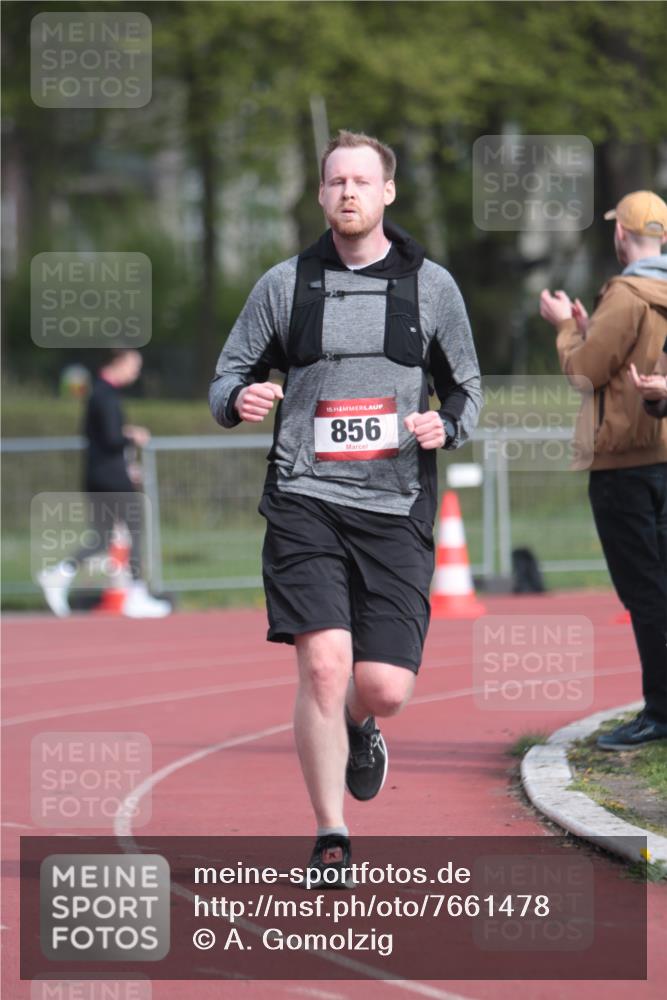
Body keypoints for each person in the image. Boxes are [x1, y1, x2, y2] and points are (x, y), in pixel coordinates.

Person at [209, 129, 482, 881]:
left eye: (363, 181)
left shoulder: (432, 286)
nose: (349, 193)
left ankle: (362, 727)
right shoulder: (284, 284)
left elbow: (466, 388)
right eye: (335, 182)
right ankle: (331, 835)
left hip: (395, 505)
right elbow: (224, 379)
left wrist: (446, 423)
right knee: (324, 669)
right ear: (321, 193)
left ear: (388, 192)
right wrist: (242, 396)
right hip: (305, 497)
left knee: (380, 689)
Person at [540, 190, 667, 750]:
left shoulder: (626, 292)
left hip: (626, 465)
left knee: (644, 593)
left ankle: (660, 713)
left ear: (622, 235)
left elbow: (585, 373)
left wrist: (566, 327)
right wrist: (597, 326)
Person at [38, 348, 171, 619]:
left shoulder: (98, 394)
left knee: (102, 537)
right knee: (134, 530)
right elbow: (111, 439)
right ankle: (135, 594)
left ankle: (58, 574)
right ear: (118, 363)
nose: (135, 372)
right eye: (133, 365)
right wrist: (132, 436)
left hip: (99, 474)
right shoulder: (105, 395)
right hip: (110, 477)